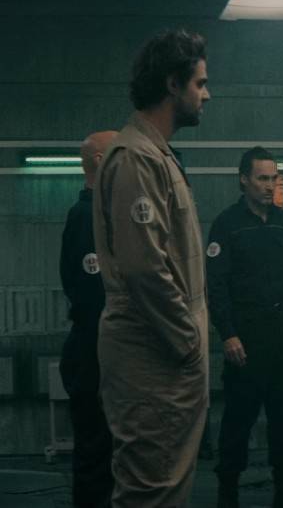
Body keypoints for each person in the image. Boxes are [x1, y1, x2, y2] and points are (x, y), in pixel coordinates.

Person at [92, 28, 211, 507]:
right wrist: (188, 343)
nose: (207, 94)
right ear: (172, 84)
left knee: (166, 486)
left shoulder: (155, 155)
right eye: (200, 83)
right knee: (153, 490)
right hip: (155, 357)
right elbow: (145, 269)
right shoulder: (136, 159)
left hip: (164, 358)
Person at [208, 146, 283, 508]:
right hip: (245, 339)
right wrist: (227, 333)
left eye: (274, 178)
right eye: (262, 178)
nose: (270, 185)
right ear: (244, 180)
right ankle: (227, 492)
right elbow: (216, 286)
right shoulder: (227, 225)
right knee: (238, 420)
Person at [59, 130, 118, 507]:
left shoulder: (105, 215)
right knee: (96, 452)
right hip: (94, 351)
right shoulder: (86, 217)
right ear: (100, 160)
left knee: (107, 453)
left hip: (102, 349)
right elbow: (89, 294)